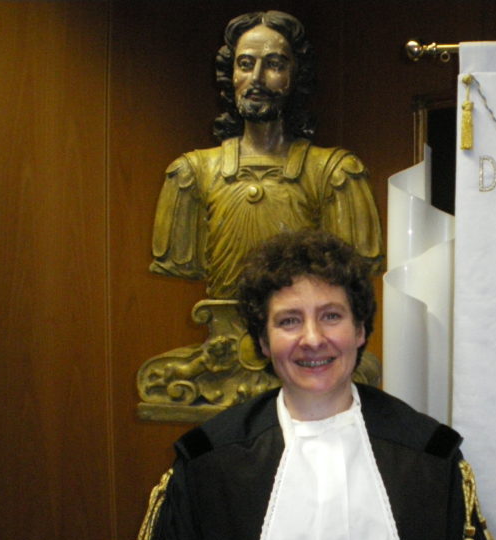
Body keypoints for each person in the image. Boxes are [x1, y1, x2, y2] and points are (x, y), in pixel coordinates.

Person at [118, 230, 496, 540]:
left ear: (360, 330)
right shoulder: (207, 465)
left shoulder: (430, 459)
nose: (312, 339)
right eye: (289, 320)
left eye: (331, 316)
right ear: (263, 341)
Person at [139, 11, 383, 409]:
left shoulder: (335, 174)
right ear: (230, 75)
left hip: (311, 360)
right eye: (245, 64)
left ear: (295, 77)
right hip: (220, 367)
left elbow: (351, 270)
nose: (256, 78)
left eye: (274, 64)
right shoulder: (192, 175)